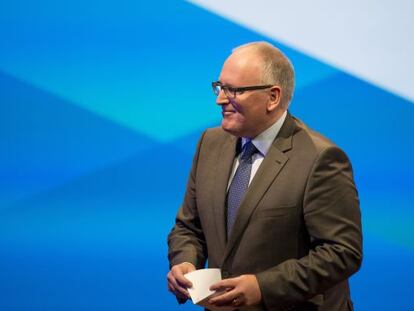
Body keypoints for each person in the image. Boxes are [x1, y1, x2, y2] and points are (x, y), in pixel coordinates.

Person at [167, 41, 362, 311]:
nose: (220, 99)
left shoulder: (321, 158)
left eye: (234, 90)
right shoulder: (209, 143)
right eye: (220, 87)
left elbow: (342, 253)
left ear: (273, 96)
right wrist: (185, 261)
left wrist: (263, 287)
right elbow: (189, 227)